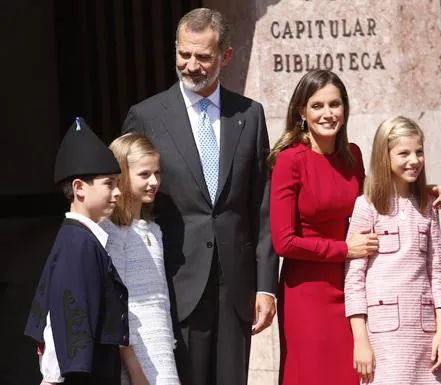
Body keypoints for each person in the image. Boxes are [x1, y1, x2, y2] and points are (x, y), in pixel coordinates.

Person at [121, 8, 278, 385]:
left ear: (226, 56)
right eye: (184, 54)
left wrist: (265, 285)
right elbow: (126, 203)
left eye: (203, 57)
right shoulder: (146, 116)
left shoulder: (250, 116)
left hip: (236, 290)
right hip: (174, 282)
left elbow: (263, 206)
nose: (191, 65)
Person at [269, 70, 441, 385]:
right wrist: (342, 249)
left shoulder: (352, 155)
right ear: (302, 111)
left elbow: (377, 198)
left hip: (352, 287)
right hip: (308, 293)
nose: (328, 113)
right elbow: (284, 242)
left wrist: (423, 188)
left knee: (354, 377)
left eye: (335, 104)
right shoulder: (290, 161)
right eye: (318, 105)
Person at [24, 117, 128, 385]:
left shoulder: (82, 239)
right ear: (79, 188)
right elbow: (73, 329)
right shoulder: (78, 245)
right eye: (109, 184)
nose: (117, 193)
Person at [345, 116, 441, 385]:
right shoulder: (367, 206)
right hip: (384, 337)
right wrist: (361, 341)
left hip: (426, 333)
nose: (414, 160)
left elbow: (437, 272)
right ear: (384, 155)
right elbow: (354, 280)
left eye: (419, 152)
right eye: (404, 153)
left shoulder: (428, 206)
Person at [100, 133, 180, 384]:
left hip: (162, 348)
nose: (154, 181)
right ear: (123, 175)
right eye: (144, 175)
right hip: (135, 353)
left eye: (156, 173)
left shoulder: (153, 230)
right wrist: (134, 368)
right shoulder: (112, 232)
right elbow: (117, 306)